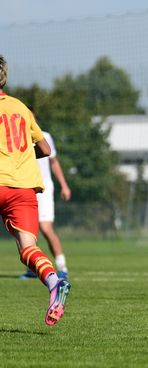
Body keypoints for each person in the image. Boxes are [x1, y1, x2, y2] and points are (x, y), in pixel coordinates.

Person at [0, 55, 71, 325]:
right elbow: (45, 149)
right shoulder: (21, 107)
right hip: (23, 189)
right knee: (28, 248)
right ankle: (54, 282)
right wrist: (21, 156)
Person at [20, 130, 72, 279]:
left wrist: (64, 185)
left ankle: (62, 267)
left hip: (44, 187)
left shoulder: (44, 135)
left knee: (45, 227)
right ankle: (32, 269)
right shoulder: (16, 135)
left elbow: (53, 161)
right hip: (25, 186)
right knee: (26, 229)